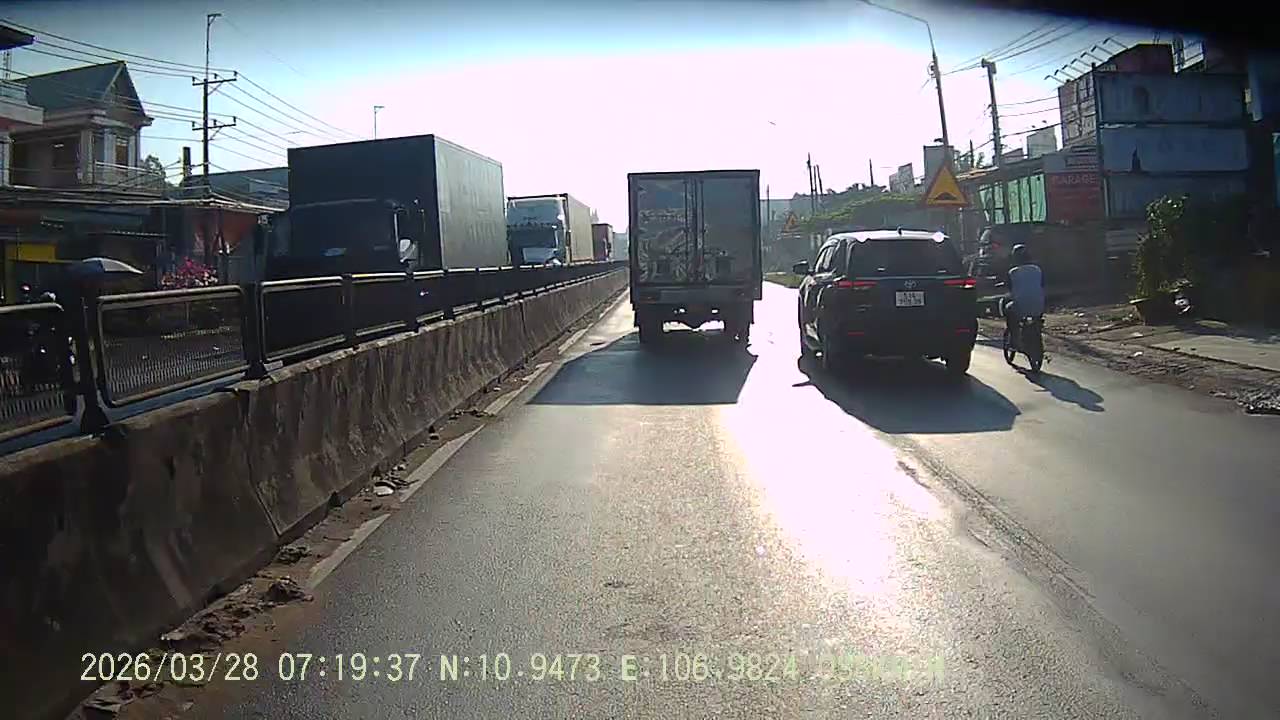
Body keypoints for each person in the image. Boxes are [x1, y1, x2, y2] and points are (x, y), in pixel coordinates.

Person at [1004, 244, 1045, 339]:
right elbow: (1042, 285)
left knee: (1008, 309)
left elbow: (1010, 289)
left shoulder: (1013, 272)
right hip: (1038, 306)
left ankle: (1014, 336)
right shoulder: (1037, 269)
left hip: (1020, 306)